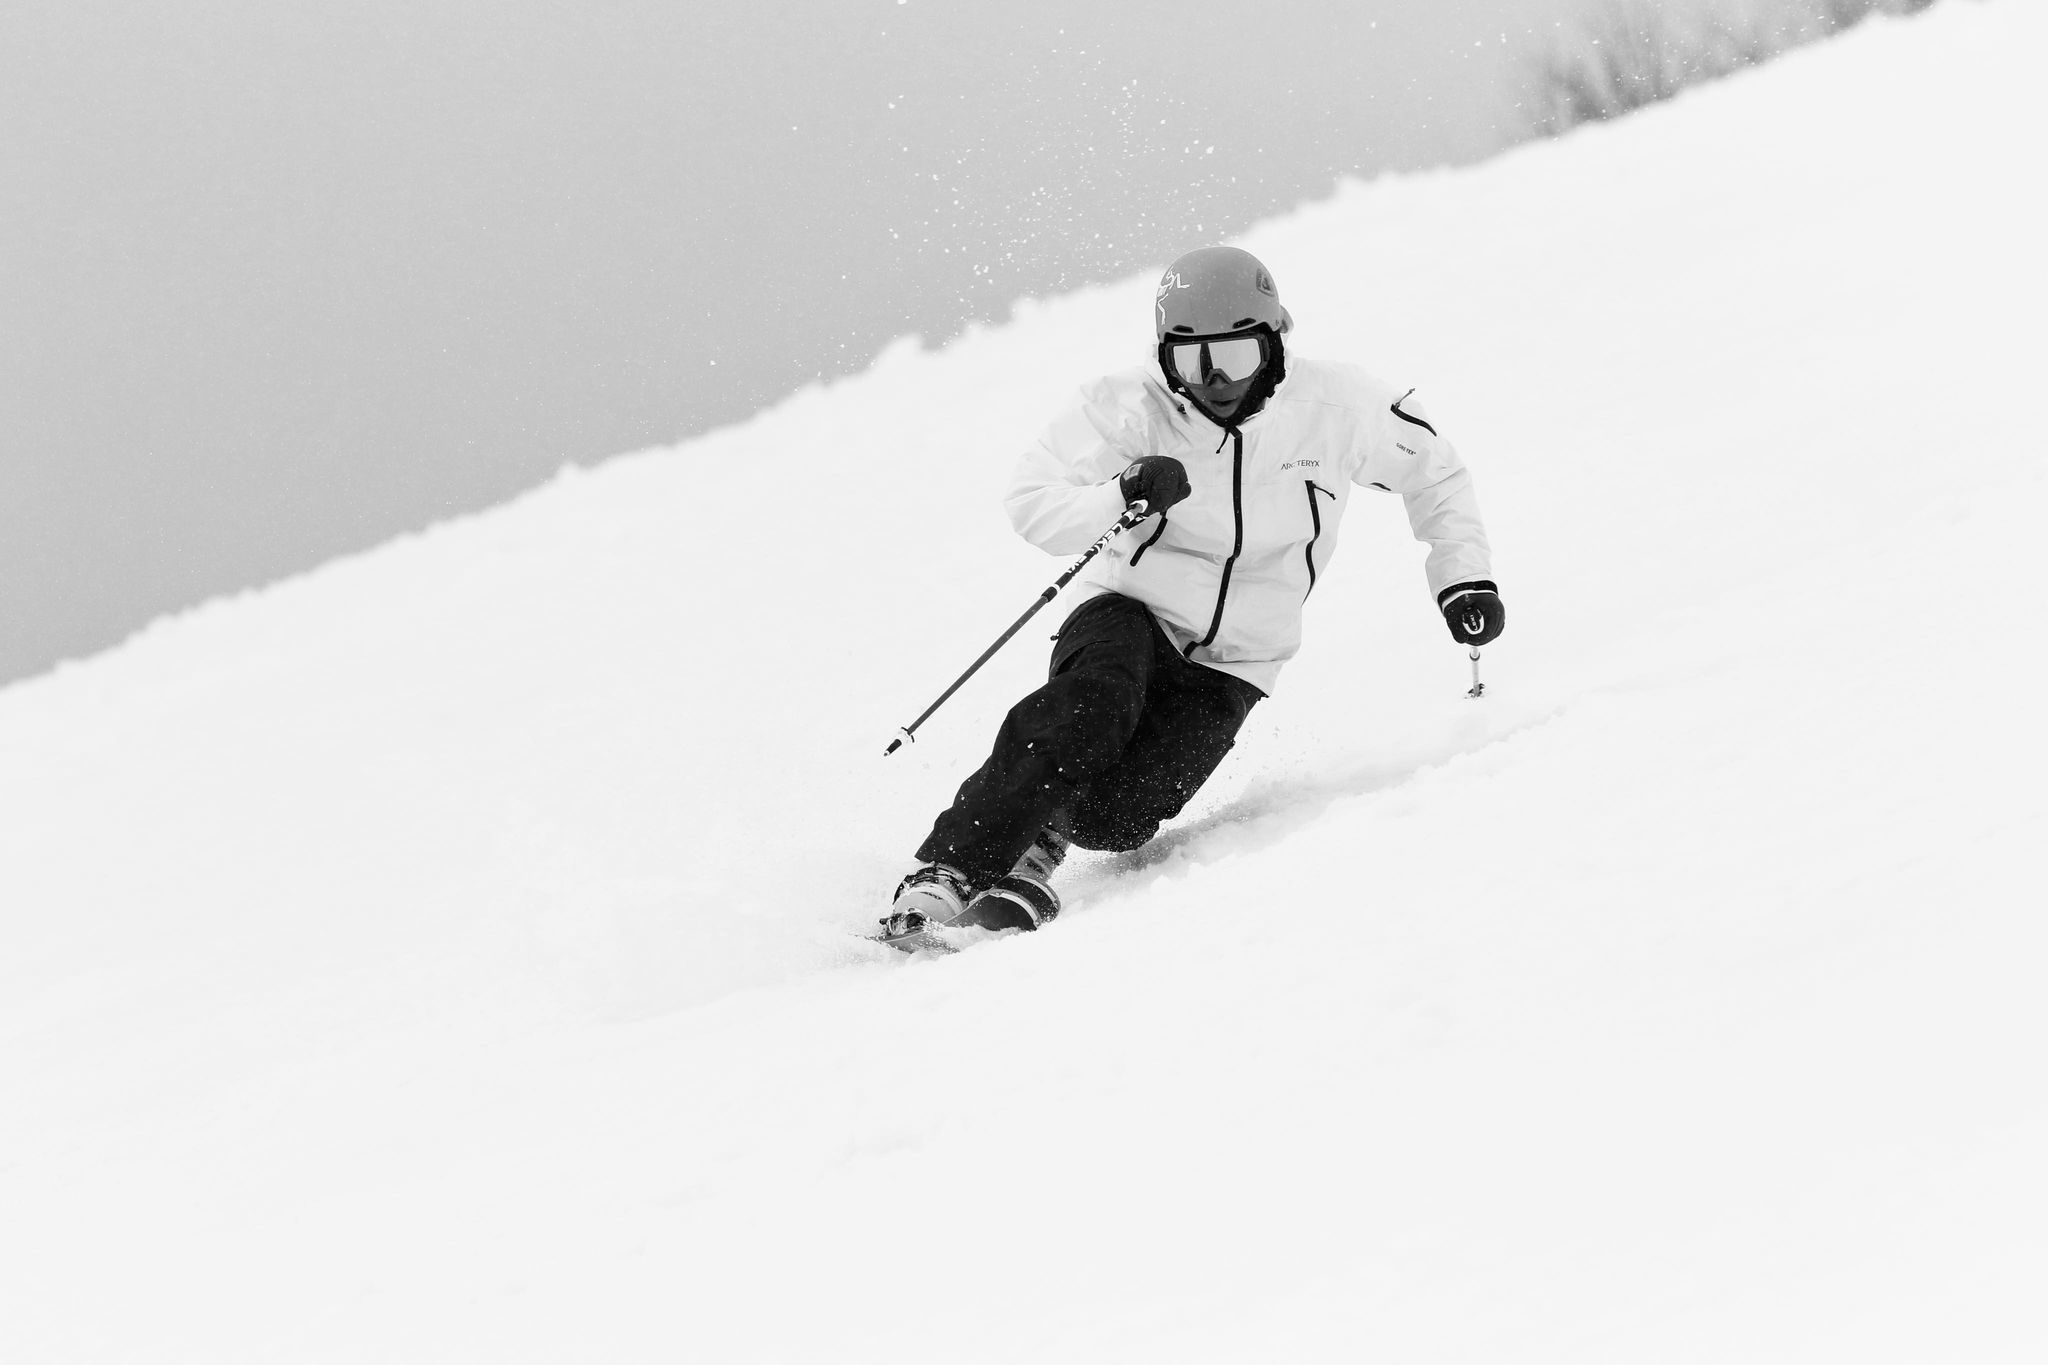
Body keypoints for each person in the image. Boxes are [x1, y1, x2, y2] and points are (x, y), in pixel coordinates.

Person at [881, 245, 1503, 940]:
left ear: (1274, 338)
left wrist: (1462, 576)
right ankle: (951, 868)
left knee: (1118, 820)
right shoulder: (1126, 407)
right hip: (1130, 607)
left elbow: (1437, 475)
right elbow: (1031, 501)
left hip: (1240, 656)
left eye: (1235, 355)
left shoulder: (1337, 406)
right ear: (1164, 354)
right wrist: (1120, 492)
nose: (1214, 380)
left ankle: (1046, 835)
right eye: (1191, 358)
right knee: (1094, 702)